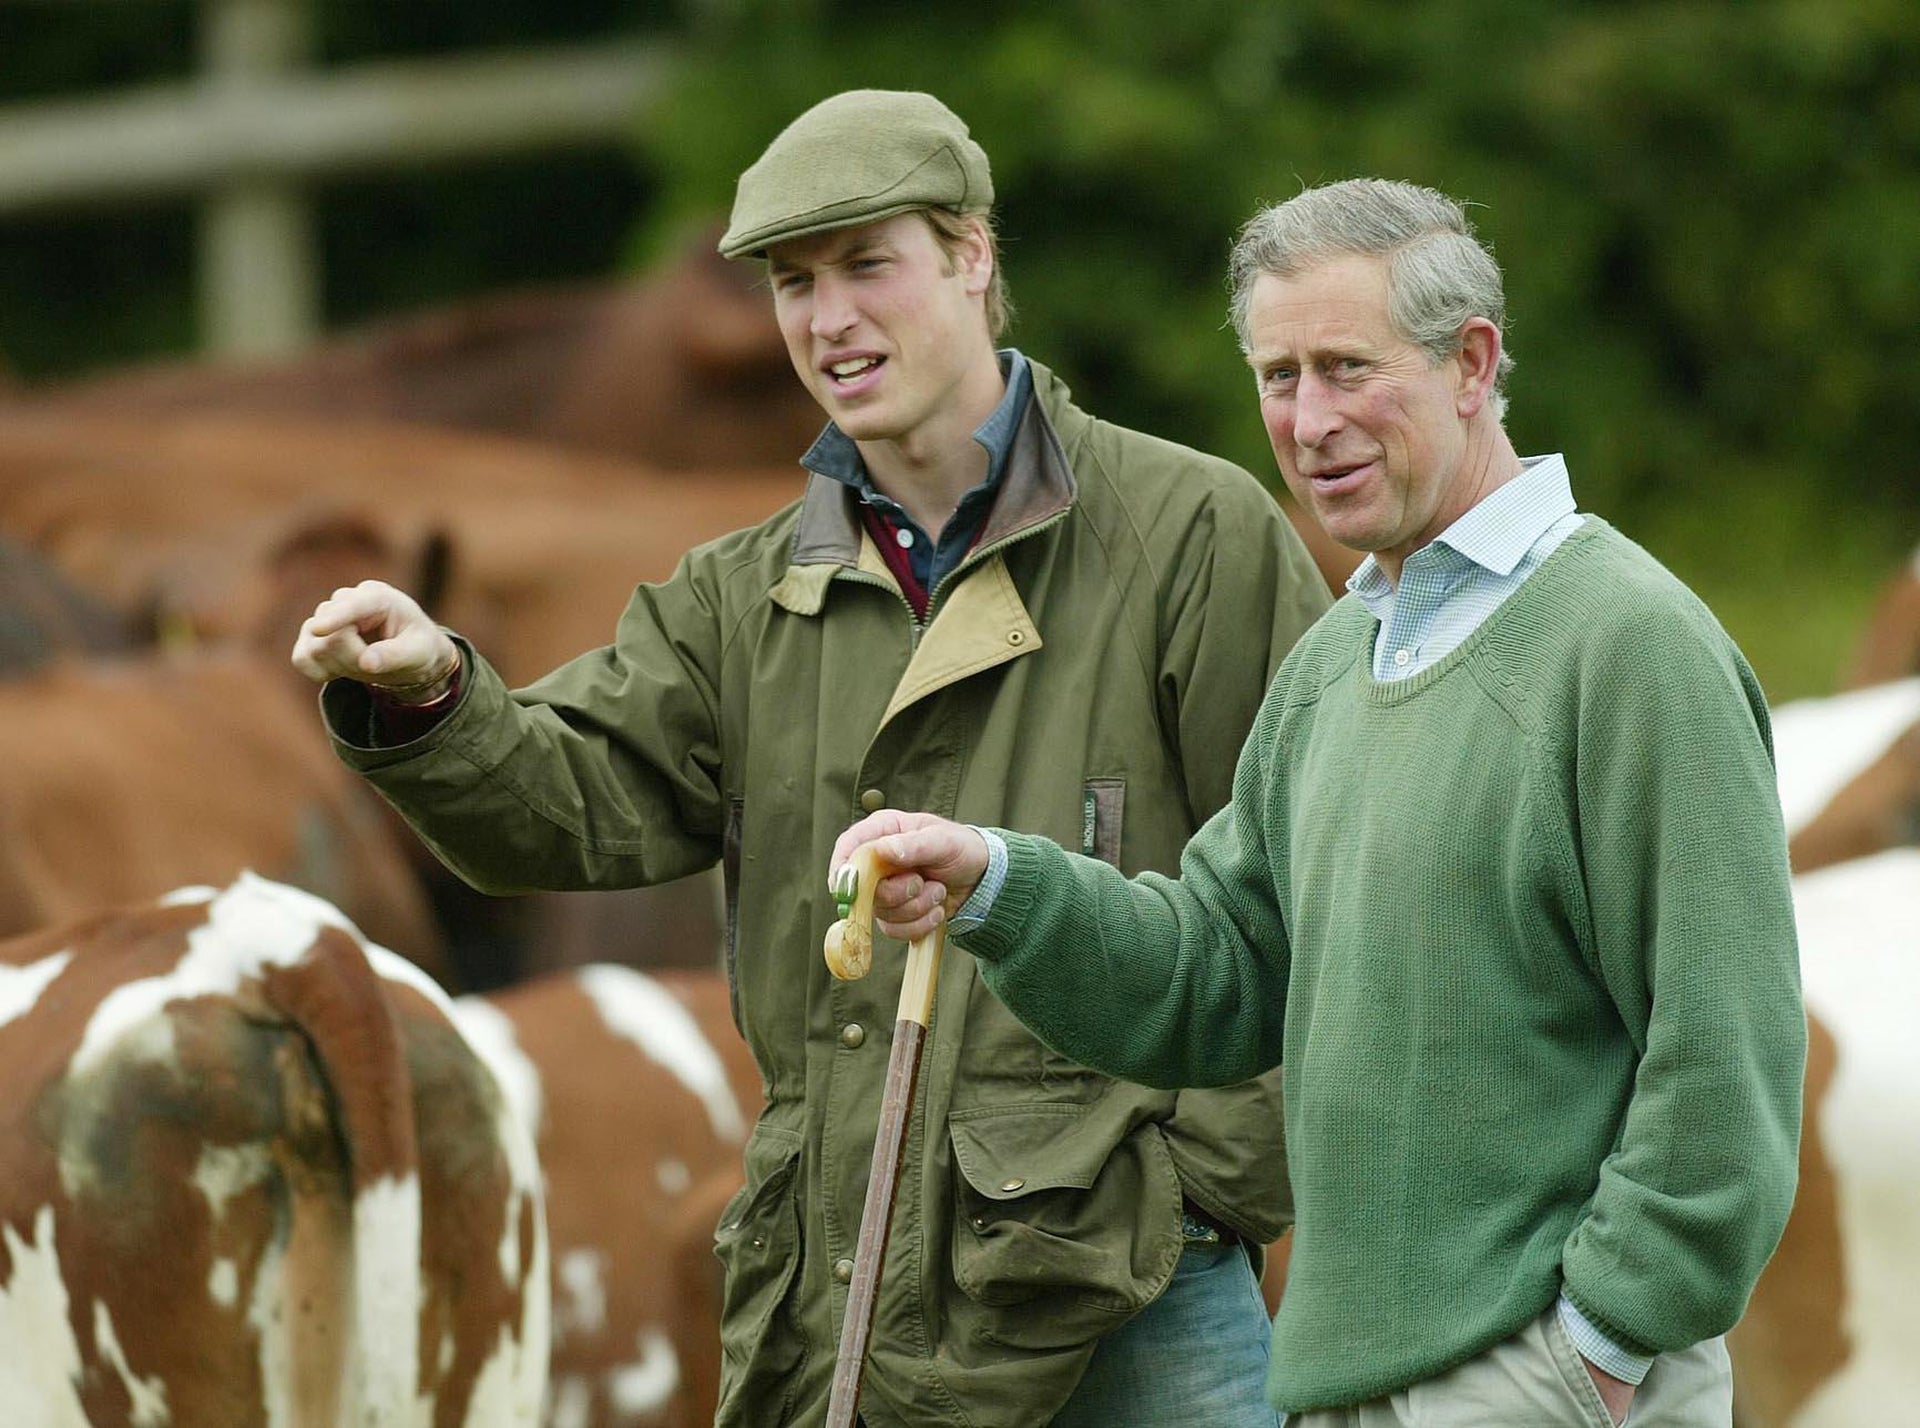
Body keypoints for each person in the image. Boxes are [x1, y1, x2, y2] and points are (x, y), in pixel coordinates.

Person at [291, 90, 1331, 1427]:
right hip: (833, 1289)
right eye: (792, 283)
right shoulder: (740, 595)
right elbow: (567, 806)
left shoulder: (1193, 536)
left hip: (1132, 1307)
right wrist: (437, 694)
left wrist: (1194, 1193)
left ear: (971, 256)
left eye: (864, 266)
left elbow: (1316, 877)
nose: (826, 318)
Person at [832, 178, 1806, 1428]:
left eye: (1348, 367)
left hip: (1547, 1385)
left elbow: (1726, 1057)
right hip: (1345, 1388)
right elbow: (1213, 973)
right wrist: (998, 882)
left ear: (1473, 363)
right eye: (1278, 375)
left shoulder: (1631, 644)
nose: (1308, 419)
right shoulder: (1340, 661)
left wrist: (1597, 1351)